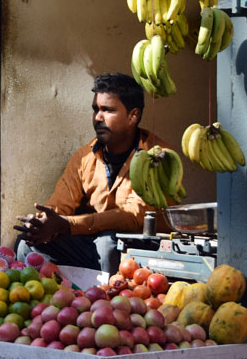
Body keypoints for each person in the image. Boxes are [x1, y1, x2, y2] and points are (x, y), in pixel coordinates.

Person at [13, 72, 165, 274]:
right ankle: (47, 301)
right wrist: (43, 223)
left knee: (107, 243)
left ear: (133, 116)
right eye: (95, 110)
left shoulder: (156, 157)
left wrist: (67, 224)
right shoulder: (85, 157)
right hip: (94, 245)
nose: (98, 118)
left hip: (142, 252)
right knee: (28, 244)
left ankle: (110, 301)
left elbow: (134, 216)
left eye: (107, 110)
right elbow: (61, 204)